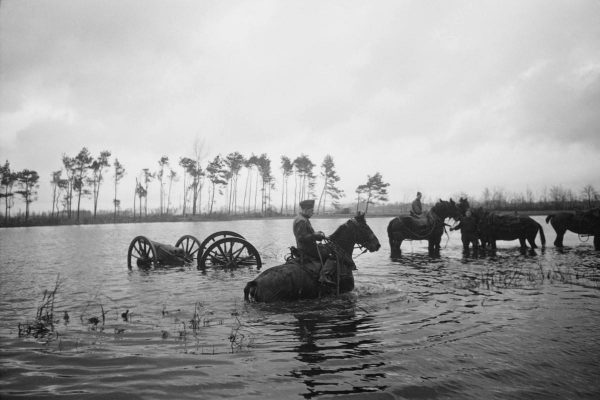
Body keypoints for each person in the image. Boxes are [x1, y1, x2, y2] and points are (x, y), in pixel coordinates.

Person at [293, 199, 335, 285]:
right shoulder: (302, 221)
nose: (313, 212)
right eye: (311, 210)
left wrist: (316, 233)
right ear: (305, 210)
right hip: (307, 249)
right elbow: (301, 237)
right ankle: (324, 276)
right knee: (332, 254)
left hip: (307, 247)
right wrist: (316, 236)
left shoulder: (301, 218)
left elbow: (306, 234)